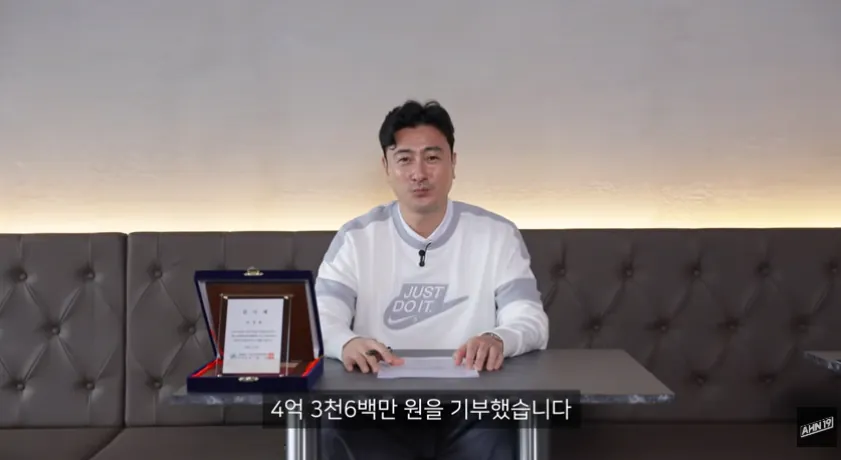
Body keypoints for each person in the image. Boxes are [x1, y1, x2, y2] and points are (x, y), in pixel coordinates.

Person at [314, 99, 550, 460]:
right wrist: (347, 343)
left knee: (507, 431)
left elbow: (530, 320)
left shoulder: (496, 234)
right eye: (405, 159)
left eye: (433, 157)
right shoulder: (356, 238)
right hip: (376, 409)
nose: (419, 173)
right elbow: (320, 319)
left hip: (474, 409)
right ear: (386, 167)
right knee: (337, 430)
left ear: (453, 163)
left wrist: (498, 338)